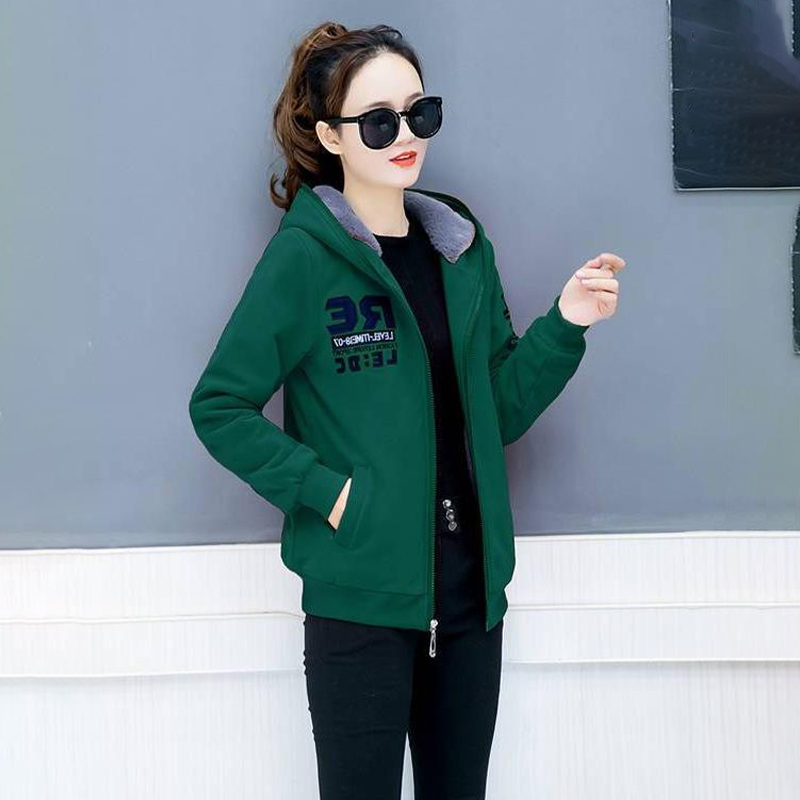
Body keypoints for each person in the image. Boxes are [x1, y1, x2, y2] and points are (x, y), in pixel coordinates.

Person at [189, 21, 625, 800]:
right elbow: (219, 405)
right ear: (331, 135)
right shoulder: (305, 259)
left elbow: (495, 412)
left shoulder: (460, 247)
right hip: (359, 607)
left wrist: (566, 325)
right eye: (379, 121)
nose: (406, 136)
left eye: (419, 113)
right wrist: (331, 495)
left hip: (471, 601)